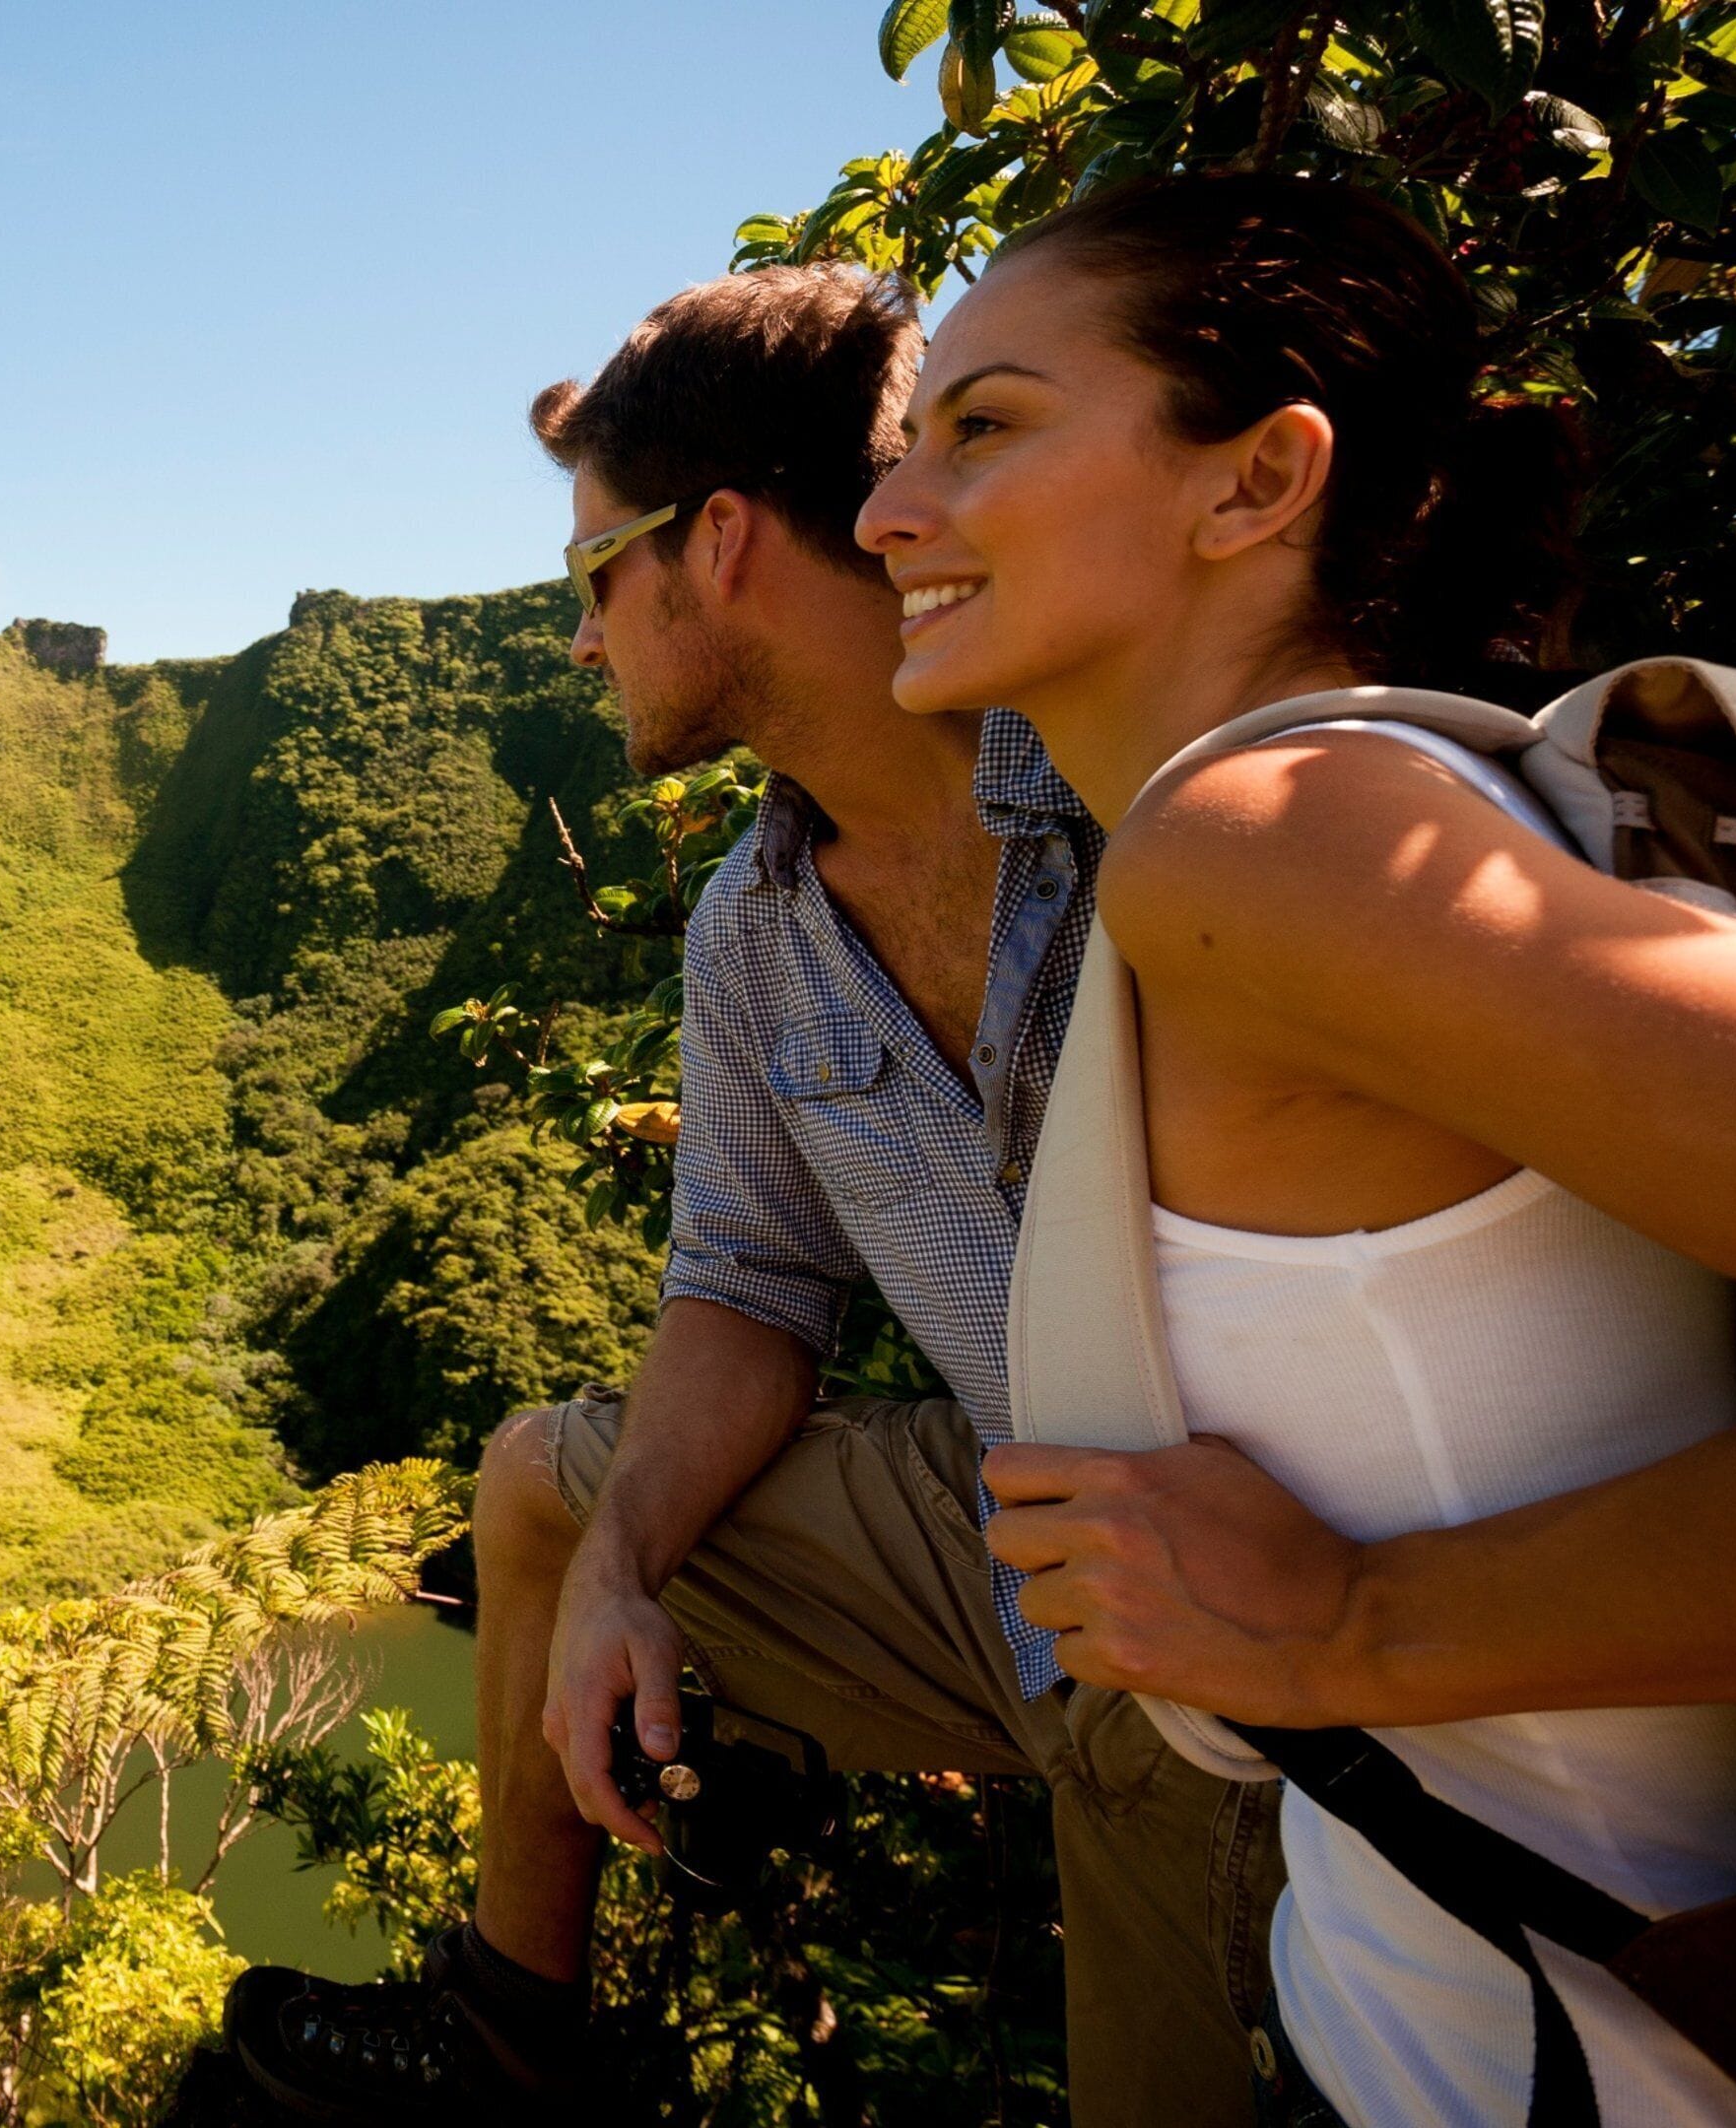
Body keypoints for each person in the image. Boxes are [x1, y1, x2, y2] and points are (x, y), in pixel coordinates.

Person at [854, 170, 1736, 2124]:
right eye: (903, 444)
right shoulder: (1343, 819)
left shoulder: (1270, 846)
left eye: (983, 428)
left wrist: (1363, 1626)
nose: (889, 512)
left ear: (1257, 483)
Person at [220, 265, 1279, 2128]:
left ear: (717, 545)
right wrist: (621, 1572)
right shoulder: (753, 931)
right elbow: (746, 1283)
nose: (573, 642)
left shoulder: (1145, 797)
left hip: (1273, 1594)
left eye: (589, 578)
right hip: (1019, 1531)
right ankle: (510, 2047)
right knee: (548, 1496)